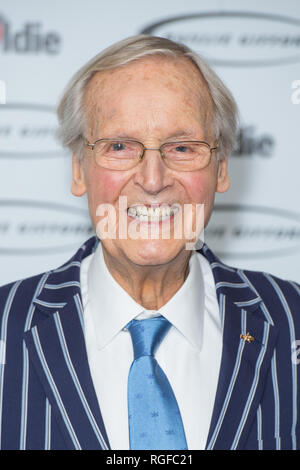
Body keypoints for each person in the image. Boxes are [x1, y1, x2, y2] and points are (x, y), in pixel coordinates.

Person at [0, 35, 299, 451]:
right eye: (120, 146)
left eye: (182, 147)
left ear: (222, 168)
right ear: (79, 169)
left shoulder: (291, 320)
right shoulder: (5, 324)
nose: (153, 180)